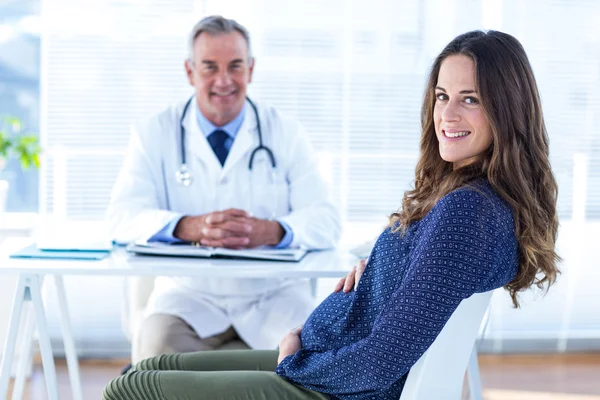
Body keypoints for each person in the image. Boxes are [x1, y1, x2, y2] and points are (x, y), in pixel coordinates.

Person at [103, 29, 560, 400]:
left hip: (340, 387)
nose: (447, 113)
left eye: (470, 99)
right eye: (442, 95)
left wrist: (294, 363)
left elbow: (382, 359)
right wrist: (383, 268)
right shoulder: (469, 200)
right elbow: (418, 293)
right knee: (153, 364)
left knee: (133, 386)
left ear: (507, 109)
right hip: (331, 362)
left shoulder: (468, 213)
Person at [106, 15, 341, 363]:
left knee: (317, 354)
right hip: (190, 296)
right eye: (209, 67)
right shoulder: (154, 132)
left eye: (235, 66)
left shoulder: (286, 132)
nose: (224, 80)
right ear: (190, 72)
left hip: (273, 295)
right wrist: (189, 227)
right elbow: (122, 218)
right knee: (155, 348)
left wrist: (270, 230)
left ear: (251, 69)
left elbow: (326, 221)